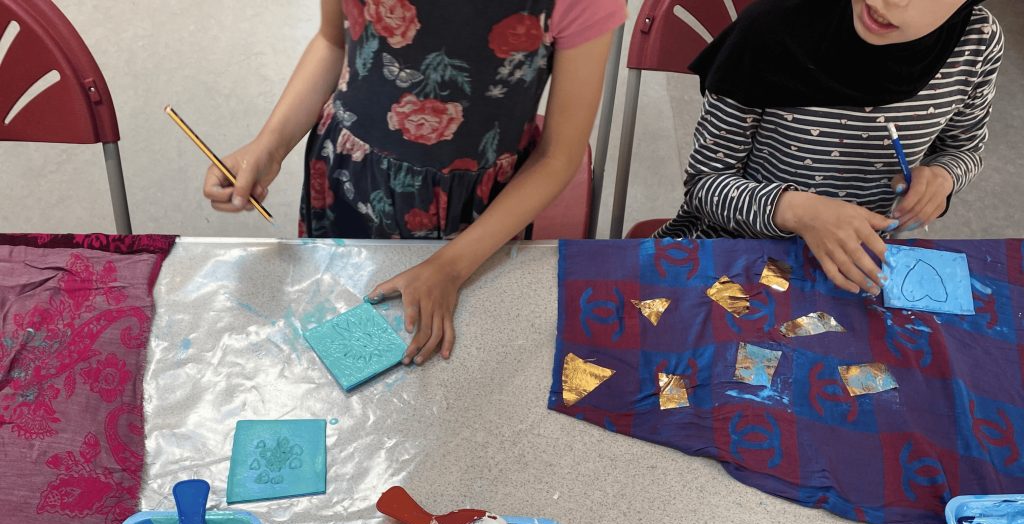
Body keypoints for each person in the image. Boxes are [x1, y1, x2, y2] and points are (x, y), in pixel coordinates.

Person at [203, 0, 625, 364]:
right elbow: (334, 42)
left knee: (447, 369)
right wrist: (270, 146)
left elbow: (558, 156)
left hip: (476, 219)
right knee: (341, 338)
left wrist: (451, 267)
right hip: (348, 182)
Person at [655, 0, 1003, 296]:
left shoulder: (977, 42)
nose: (889, 2)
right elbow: (704, 184)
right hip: (739, 254)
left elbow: (964, 148)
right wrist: (799, 212)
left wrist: (943, 177)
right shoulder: (769, 29)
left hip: (863, 266)